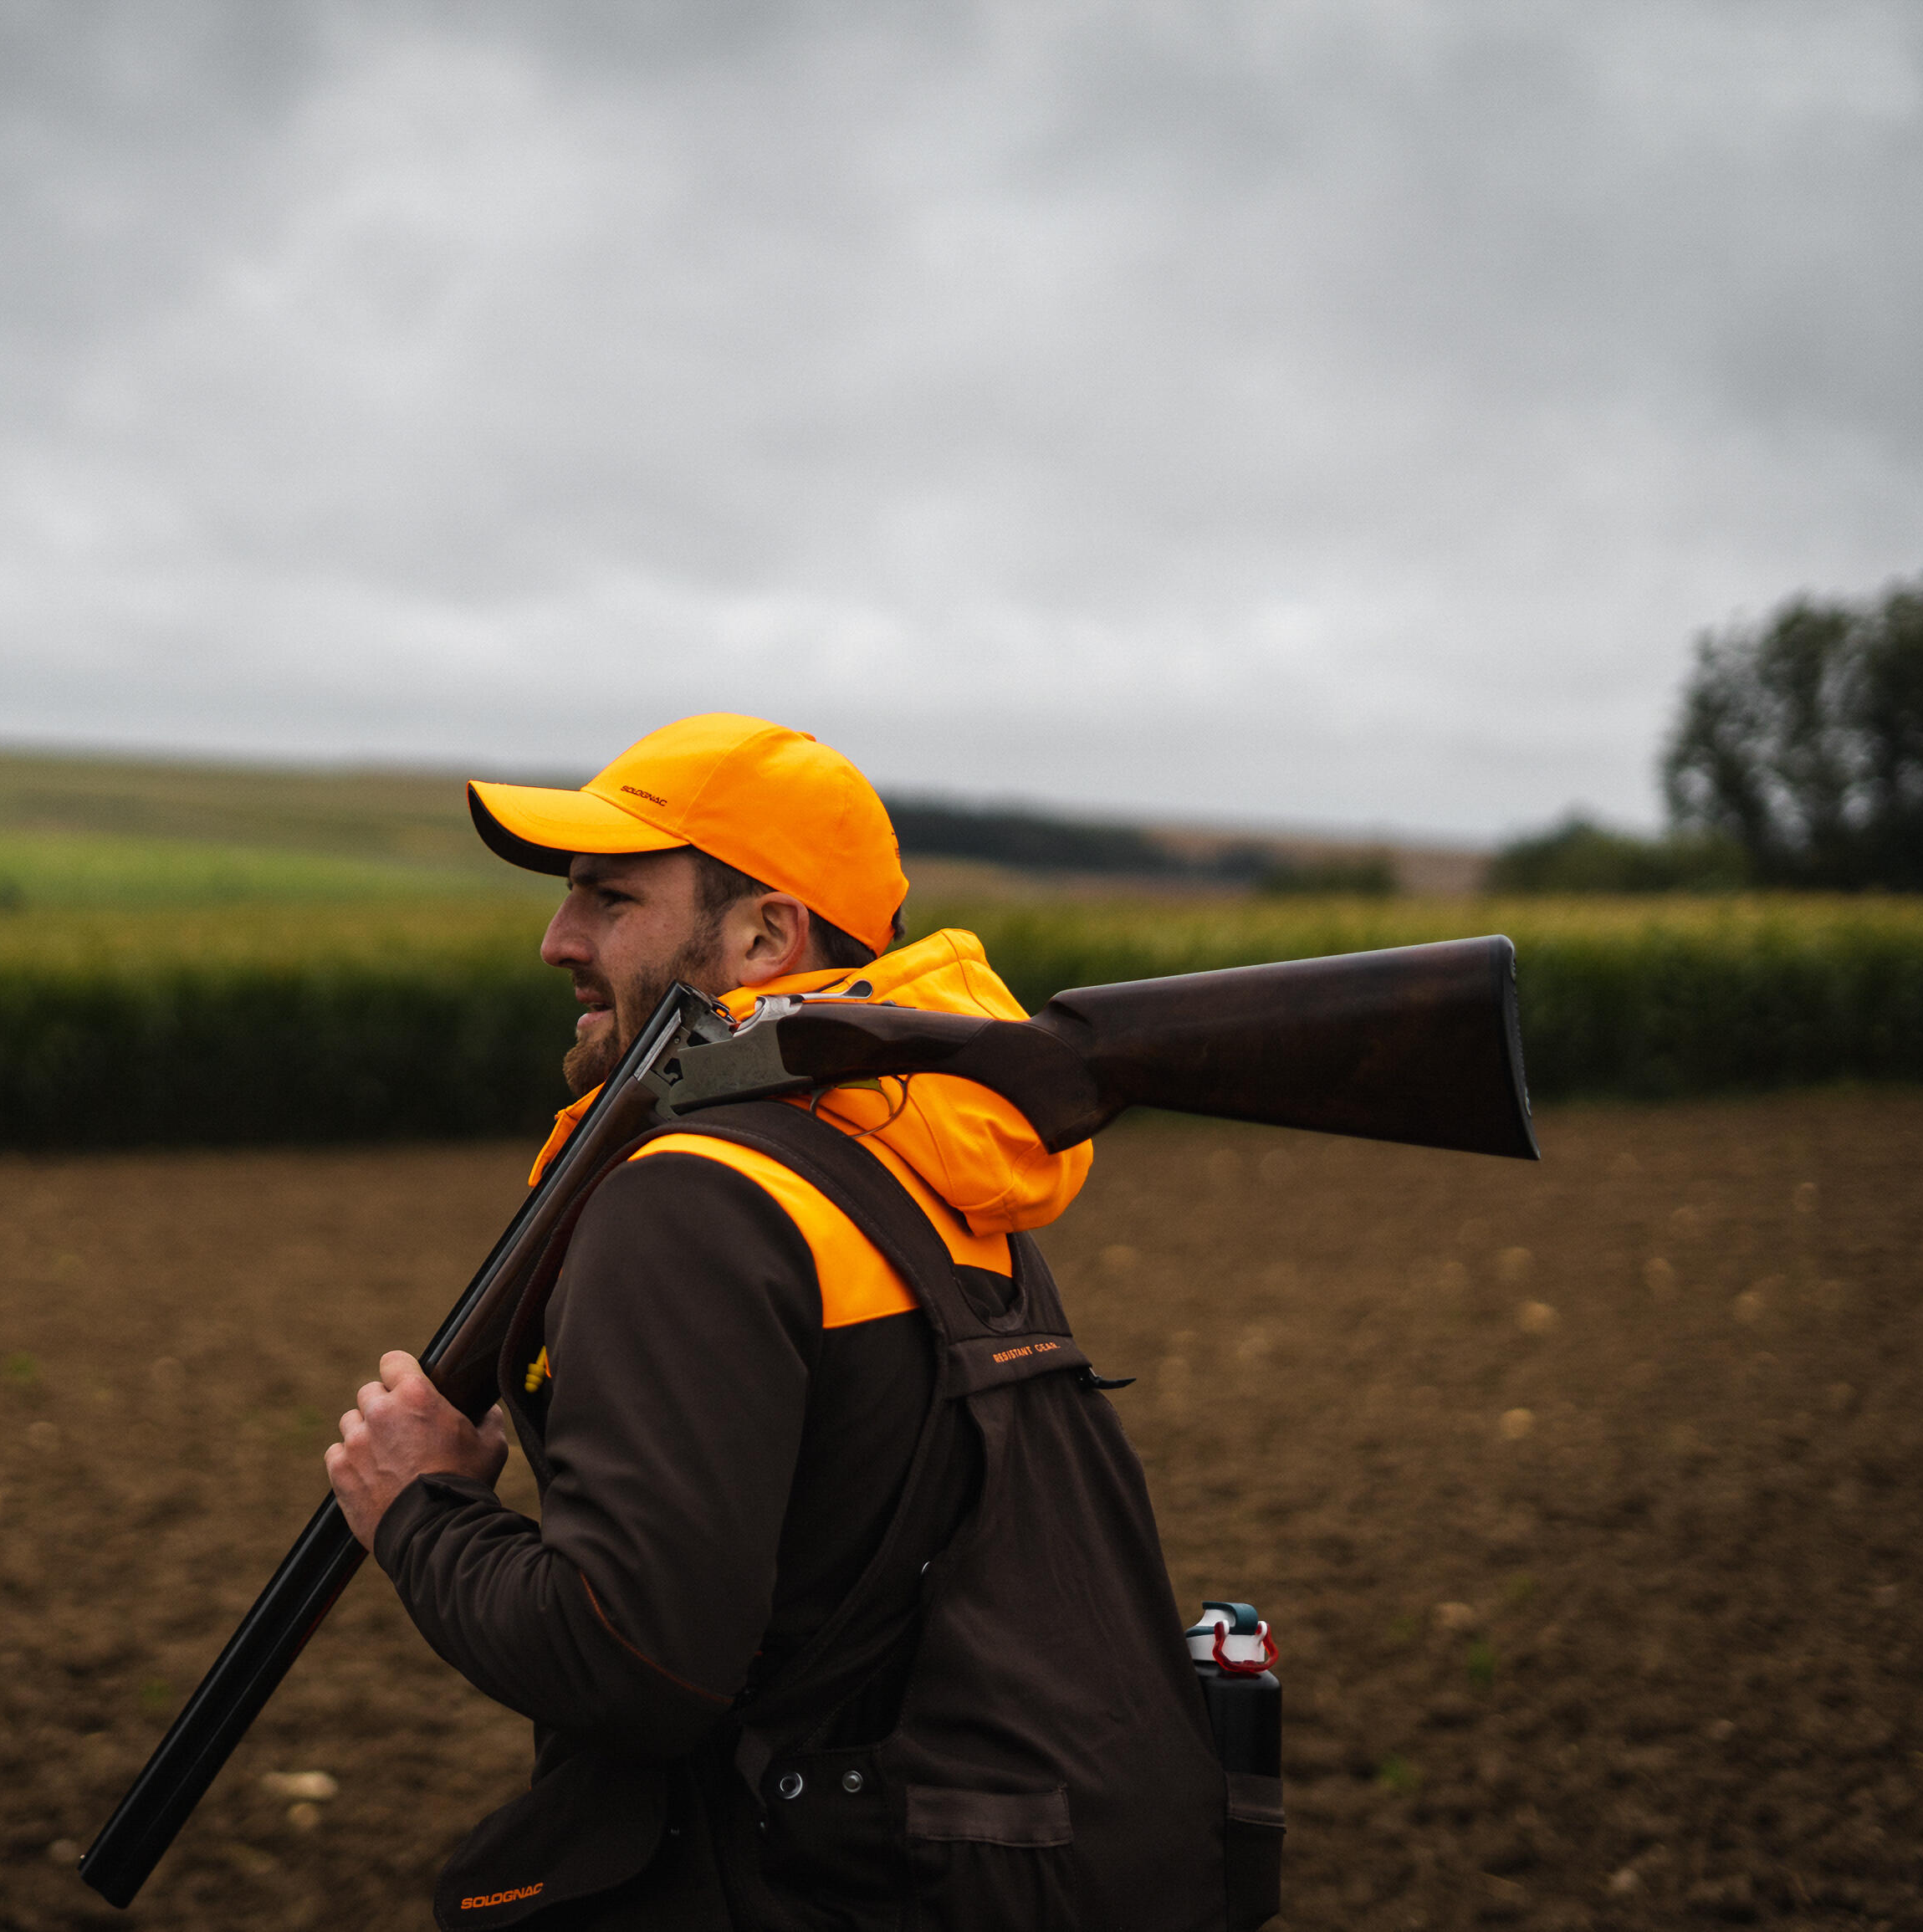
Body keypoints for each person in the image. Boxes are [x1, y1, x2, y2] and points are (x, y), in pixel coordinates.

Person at [325, 714, 1240, 1931]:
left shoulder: (695, 1195)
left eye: (610, 896)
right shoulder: (918, 1164)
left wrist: (420, 1507)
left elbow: (635, 1659)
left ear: (766, 934)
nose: (558, 938)